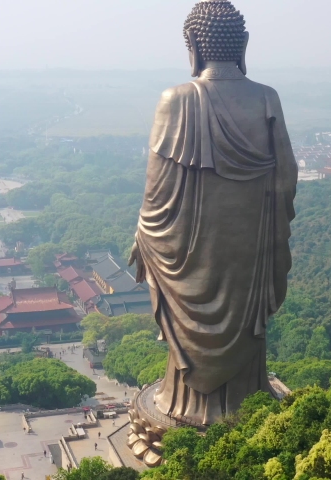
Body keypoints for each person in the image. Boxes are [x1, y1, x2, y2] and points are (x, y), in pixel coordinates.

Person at [129, 0, 297, 427]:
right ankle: (244, 399)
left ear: (195, 47)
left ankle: (186, 401)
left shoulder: (176, 100)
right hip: (251, 248)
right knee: (245, 326)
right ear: (241, 44)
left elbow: (157, 195)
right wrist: (270, 225)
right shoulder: (266, 98)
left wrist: (145, 236)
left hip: (193, 250)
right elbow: (287, 177)